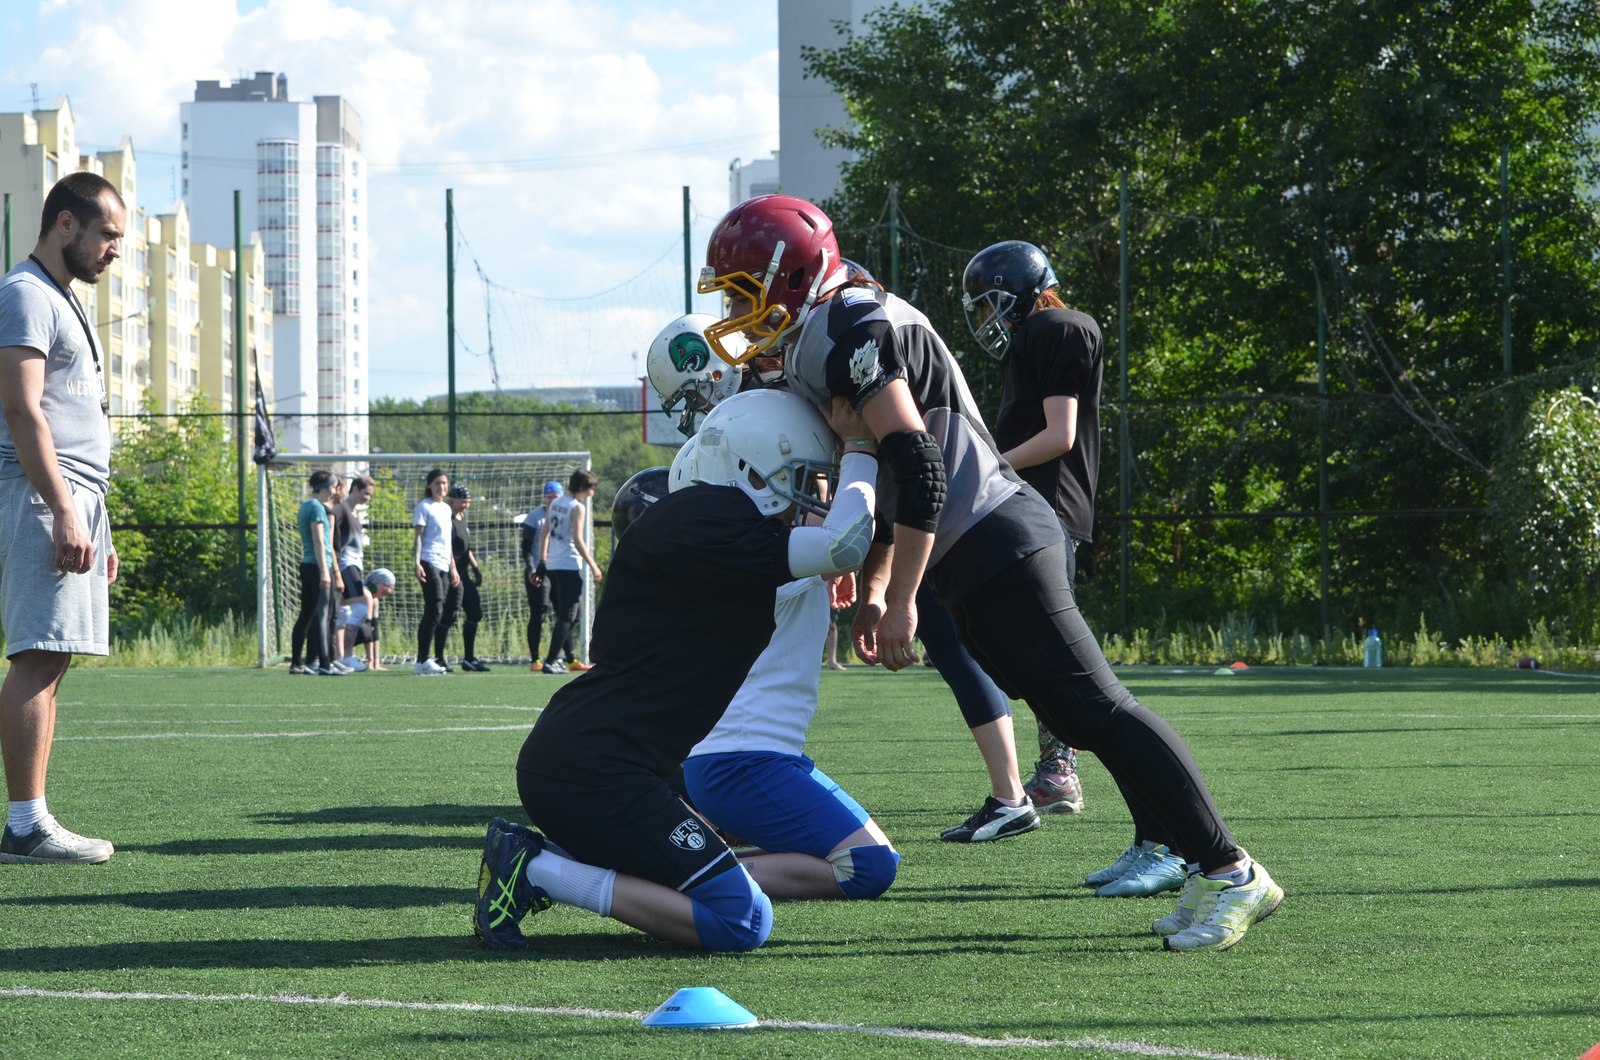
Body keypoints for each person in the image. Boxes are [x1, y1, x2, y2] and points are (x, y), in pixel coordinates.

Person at [698, 194, 1282, 952]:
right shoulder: (827, 324)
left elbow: (919, 461)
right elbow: (877, 462)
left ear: (793, 273)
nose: (739, 315)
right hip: (966, 554)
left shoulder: (849, 324)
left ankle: (1230, 868)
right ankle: (1202, 861)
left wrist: (900, 596)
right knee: (1078, 719)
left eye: (746, 292)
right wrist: (876, 584)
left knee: (1099, 708)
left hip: (996, 537)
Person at [473, 388, 879, 951]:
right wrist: (864, 445)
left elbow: (835, 551)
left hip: (613, 766)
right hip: (594, 769)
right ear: (751, 469)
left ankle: (553, 861)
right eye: (800, 478)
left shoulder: (705, 522)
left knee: (737, 899)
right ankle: (537, 867)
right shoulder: (706, 519)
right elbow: (845, 543)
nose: (807, 496)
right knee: (742, 921)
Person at [647, 307, 1039, 844]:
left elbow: (840, 459)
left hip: (891, 503)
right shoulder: (766, 390)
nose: (692, 413)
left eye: (691, 396)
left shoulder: (793, 375)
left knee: (953, 637)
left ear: (712, 368)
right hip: (864, 509)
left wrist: (837, 550)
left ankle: (1017, 785)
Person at [964, 239, 1188, 896]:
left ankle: (1170, 841)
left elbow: (1060, 435)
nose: (989, 319)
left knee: (1090, 696)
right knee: (1058, 684)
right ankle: (1151, 833)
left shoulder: (1060, 326)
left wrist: (989, 465)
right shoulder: (1038, 335)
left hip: (1045, 516)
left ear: (1028, 290)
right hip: (1031, 517)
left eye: (994, 303)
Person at [0, 172, 125, 865]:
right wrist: (63, 510)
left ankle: (31, 820)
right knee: (37, 653)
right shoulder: (23, 294)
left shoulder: (58, 298)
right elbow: (23, 412)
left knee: (54, 657)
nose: (114, 250)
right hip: (41, 493)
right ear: (66, 224)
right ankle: (25, 826)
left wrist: (93, 520)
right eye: (108, 234)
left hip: (74, 496)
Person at [537, 468, 602, 674]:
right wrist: (593, 566)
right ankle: (549, 661)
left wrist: (542, 561)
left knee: (572, 616)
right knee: (567, 616)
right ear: (583, 488)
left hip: (553, 566)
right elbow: (578, 540)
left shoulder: (556, 502)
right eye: (591, 489)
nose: (592, 493)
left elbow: (544, 533)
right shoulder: (577, 507)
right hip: (568, 565)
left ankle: (565, 657)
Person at [290, 470, 340, 676]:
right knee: (322, 614)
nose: (335, 491)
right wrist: (325, 572)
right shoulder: (317, 508)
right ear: (326, 487)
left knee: (307, 615)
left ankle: (297, 663)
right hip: (317, 566)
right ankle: (325, 664)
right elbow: (319, 541)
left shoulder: (306, 505)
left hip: (308, 564)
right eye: (334, 486)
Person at [412, 468, 459, 676]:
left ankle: (425, 658)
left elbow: (447, 542)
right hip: (428, 560)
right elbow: (419, 537)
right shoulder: (424, 507)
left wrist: (453, 567)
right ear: (430, 485)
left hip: (443, 563)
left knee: (439, 610)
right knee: (435, 608)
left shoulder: (446, 509)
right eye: (438, 483)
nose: (442, 487)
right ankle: (422, 659)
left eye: (445, 483)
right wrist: (416, 562)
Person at [443, 483, 490, 671]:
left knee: (475, 612)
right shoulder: (447, 520)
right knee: (449, 615)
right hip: (452, 573)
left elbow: (466, 548)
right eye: (462, 500)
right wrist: (452, 569)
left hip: (464, 571)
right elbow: (446, 547)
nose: (465, 504)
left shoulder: (462, 519)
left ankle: (469, 658)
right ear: (452, 500)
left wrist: (476, 568)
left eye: (467, 501)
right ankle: (438, 657)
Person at [333, 473, 375, 671]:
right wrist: (335, 566)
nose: (368, 498)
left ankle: (335, 656)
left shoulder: (356, 512)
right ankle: (347, 656)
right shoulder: (341, 509)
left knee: (343, 612)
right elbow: (330, 534)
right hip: (345, 564)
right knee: (360, 609)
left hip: (355, 563)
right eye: (366, 494)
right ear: (356, 489)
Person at [520, 480, 562, 671]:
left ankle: (567, 657)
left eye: (556, 497)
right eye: (550, 496)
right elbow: (526, 547)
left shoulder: (563, 515)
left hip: (558, 570)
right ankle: (535, 659)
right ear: (544, 498)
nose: (553, 500)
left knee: (566, 613)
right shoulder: (534, 517)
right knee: (539, 613)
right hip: (538, 571)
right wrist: (531, 569)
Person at [336, 568, 397, 670]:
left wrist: (374, 663)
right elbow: (368, 632)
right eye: (388, 586)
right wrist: (370, 662)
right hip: (334, 632)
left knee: (368, 629)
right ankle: (341, 656)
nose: (390, 590)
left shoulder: (374, 600)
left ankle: (340, 655)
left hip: (341, 630)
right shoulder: (365, 593)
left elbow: (374, 631)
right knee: (365, 629)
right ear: (378, 583)